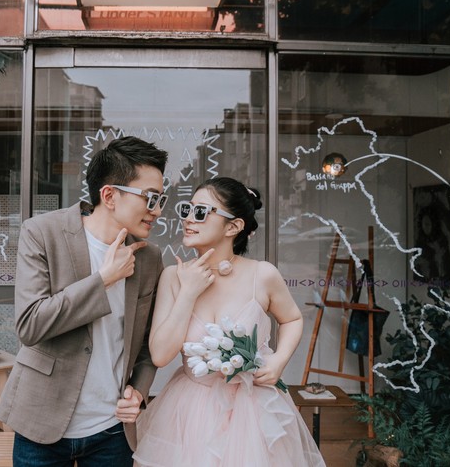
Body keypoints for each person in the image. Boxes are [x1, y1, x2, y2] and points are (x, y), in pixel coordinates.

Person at [0, 136, 169, 466]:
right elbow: (30, 325)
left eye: (160, 199)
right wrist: (103, 280)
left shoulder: (149, 257)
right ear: (109, 195)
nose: (157, 210)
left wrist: (139, 391)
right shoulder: (41, 233)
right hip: (42, 423)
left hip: (112, 430)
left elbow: (148, 343)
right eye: (150, 198)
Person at [134, 177, 326, 466]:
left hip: (254, 408)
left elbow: (292, 319)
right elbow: (160, 355)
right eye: (187, 209)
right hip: (191, 410)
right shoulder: (173, 277)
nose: (189, 219)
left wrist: (279, 360)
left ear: (233, 227)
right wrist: (187, 293)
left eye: (201, 212)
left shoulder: (263, 274)